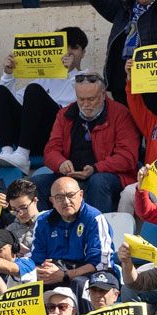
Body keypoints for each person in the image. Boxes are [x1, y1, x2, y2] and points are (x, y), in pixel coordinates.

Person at [32, 70, 138, 213]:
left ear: (103, 95)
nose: (86, 104)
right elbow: (51, 150)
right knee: (35, 184)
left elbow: (127, 157)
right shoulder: (65, 114)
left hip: (109, 175)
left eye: (91, 99)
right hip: (71, 176)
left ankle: (97, 231)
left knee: (98, 181)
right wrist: (61, 163)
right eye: (81, 99)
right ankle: (44, 230)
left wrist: (96, 168)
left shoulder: (120, 114)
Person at [0, 27, 87, 167]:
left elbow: (86, 102)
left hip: (59, 137)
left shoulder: (87, 77)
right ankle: (7, 151)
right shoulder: (43, 79)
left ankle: (23, 154)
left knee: (34, 90)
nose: (69, 52)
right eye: (64, 46)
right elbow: (11, 102)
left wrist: (69, 72)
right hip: (30, 136)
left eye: (74, 47)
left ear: (83, 53)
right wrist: (8, 74)